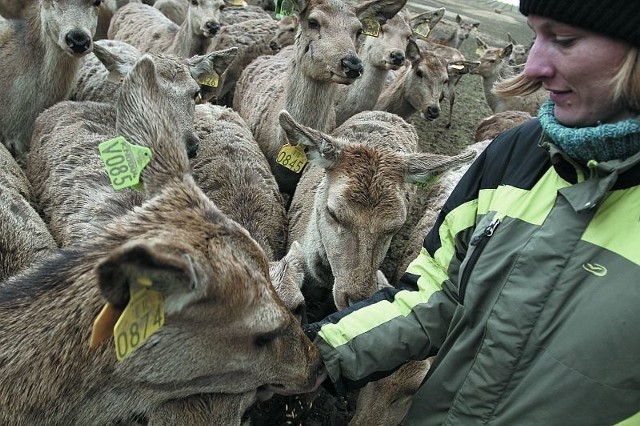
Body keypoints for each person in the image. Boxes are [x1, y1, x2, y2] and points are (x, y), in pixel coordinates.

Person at [303, 0, 640, 424]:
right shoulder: (515, 153)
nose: (532, 67)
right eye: (535, 36)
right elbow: (440, 294)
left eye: (566, 40)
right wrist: (322, 352)